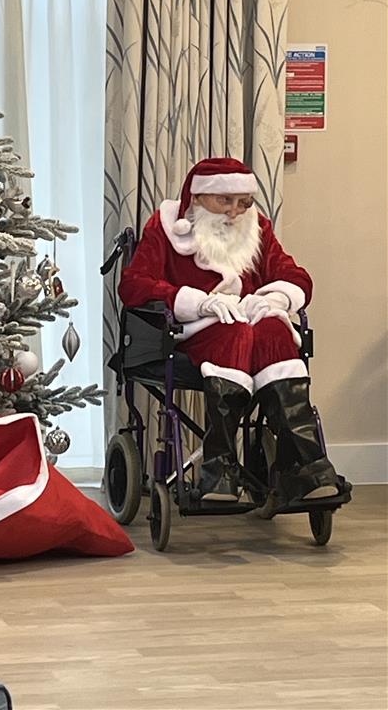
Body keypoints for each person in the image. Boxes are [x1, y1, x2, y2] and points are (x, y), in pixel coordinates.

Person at [118, 157, 348, 506]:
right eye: (224, 200)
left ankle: (306, 468)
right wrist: (197, 302)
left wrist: (275, 298)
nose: (235, 212)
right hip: (197, 328)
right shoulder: (166, 228)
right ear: (197, 198)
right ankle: (219, 469)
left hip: (251, 324)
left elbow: (294, 275)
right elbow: (134, 285)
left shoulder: (258, 229)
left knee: (274, 330)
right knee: (235, 333)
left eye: (244, 202)